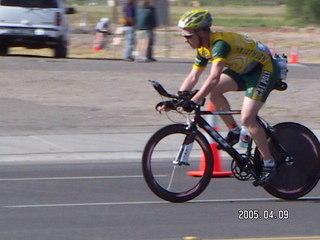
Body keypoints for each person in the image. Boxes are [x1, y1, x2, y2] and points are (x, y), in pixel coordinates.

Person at [162, 10, 282, 186]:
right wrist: (177, 100)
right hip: (242, 69)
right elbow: (193, 77)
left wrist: (194, 101)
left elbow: (213, 78)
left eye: (188, 35)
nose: (185, 39)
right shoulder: (203, 48)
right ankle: (234, 130)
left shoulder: (219, 45)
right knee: (214, 93)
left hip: (263, 69)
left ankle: (269, 164)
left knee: (248, 118)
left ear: (202, 32)